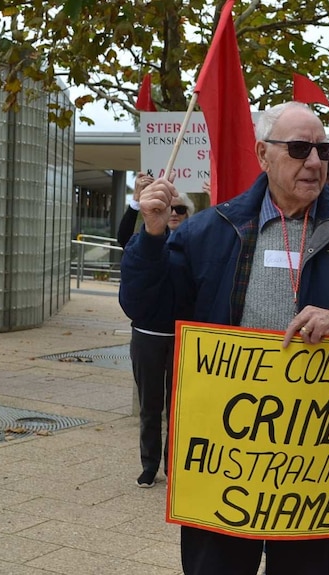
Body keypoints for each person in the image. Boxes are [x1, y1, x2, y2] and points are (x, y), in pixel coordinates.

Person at [119, 101, 329, 575]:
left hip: (314, 462)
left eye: (324, 149)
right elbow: (148, 309)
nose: (315, 162)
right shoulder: (210, 229)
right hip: (227, 456)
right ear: (262, 153)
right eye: (300, 148)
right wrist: (151, 238)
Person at [117, 172, 195, 488]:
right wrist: (138, 204)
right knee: (151, 406)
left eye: (179, 209)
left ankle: (174, 465)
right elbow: (126, 236)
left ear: (188, 215)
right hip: (148, 336)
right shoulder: (144, 243)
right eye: (168, 207)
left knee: (179, 407)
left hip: (182, 336)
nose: (173, 213)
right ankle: (149, 465)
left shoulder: (193, 245)